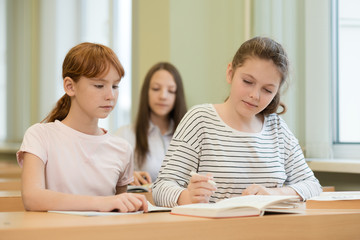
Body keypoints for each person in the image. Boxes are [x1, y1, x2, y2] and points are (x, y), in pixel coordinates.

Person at [152, 36, 322, 207]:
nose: (255, 95)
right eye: (248, 82)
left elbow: (313, 185)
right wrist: (187, 197)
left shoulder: (277, 128)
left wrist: (274, 193)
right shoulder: (200, 120)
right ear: (230, 73)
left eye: (267, 90)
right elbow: (160, 188)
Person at [17, 42, 147, 212]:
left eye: (115, 86)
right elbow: (32, 198)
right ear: (70, 86)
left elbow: (119, 211)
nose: (110, 96)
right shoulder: (40, 135)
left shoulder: (122, 149)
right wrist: (102, 203)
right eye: (99, 86)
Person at [116, 62, 187, 186]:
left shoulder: (188, 136)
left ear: (178, 96)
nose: (163, 96)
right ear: (146, 92)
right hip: (143, 203)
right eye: (156, 89)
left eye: (171, 91)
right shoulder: (125, 135)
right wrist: (126, 175)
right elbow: (108, 174)